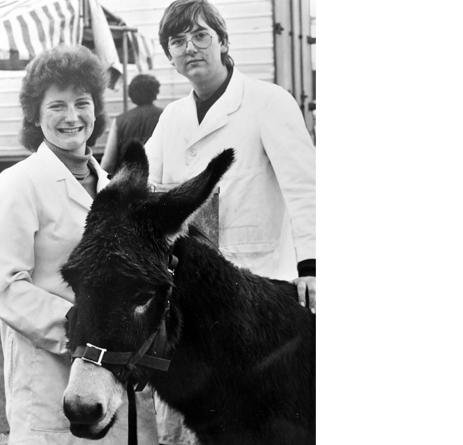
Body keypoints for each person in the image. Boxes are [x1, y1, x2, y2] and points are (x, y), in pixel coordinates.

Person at [144, 1, 316, 443]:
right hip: (199, 303)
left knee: (268, 421)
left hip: (264, 295)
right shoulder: (171, 118)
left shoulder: (268, 102)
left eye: (201, 36)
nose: (190, 48)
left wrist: (313, 266)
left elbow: (305, 188)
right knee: (208, 423)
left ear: (223, 42)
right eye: (178, 41)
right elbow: (149, 190)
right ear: (169, 55)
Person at [0, 45, 158, 445]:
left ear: (97, 109)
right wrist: (84, 330)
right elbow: (1, 284)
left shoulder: (114, 187)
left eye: (82, 103)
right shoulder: (20, 183)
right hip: (51, 379)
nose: (72, 117)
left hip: (117, 379)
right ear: (35, 115)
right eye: (56, 106)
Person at [100, 73, 163, 174]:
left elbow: (108, 163)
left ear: (132, 94)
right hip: (157, 178)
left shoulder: (120, 120)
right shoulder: (165, 115)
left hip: (128, 181)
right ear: (155, 92)